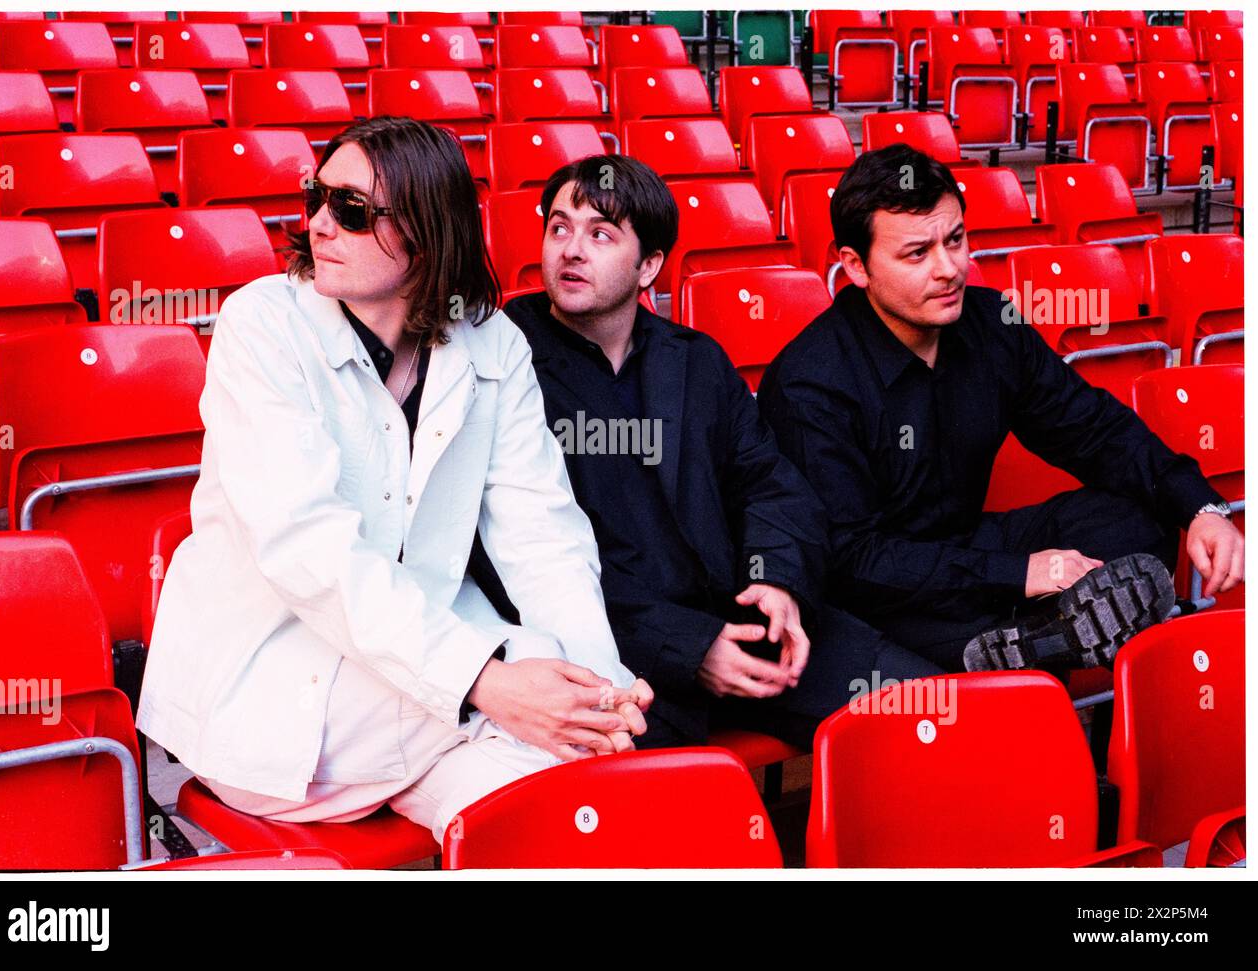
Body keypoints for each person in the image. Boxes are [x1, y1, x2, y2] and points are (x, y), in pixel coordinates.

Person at [137, 118, 651, 844]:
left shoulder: (492, 341)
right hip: (278, 696)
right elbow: (311, 550)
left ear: (428, 230)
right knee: (537, 687)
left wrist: (598, 692)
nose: (319, 222)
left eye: (350, 211)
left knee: (573, 803)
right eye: (316, 196)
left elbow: (543, 532)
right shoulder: (261, 325)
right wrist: (489, 681)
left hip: (421, 696)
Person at [499, 155, 942, 752]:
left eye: (599, 233)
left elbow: (771, 485)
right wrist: (690, 646)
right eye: (559, 227)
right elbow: (519, 561)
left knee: (932, 712)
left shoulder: (694, 358)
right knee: (674, 822)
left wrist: (778, 584)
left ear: (649, 264)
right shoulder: (504, 363)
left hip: (740, 620)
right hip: (609, 655)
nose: (571, 249)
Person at [758, 143, 1244, 673]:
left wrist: (1200, 508)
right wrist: (1020, 573)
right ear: (855, 265)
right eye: (918, 254)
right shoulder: (811, 382)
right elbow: (852, 560)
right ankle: (1031, 635)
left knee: (1136, 520)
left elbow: (1092, 429)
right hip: (881, 584)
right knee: (871, 619)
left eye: (956, 240)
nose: (949, 269)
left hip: (973, 547)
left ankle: (1030, 636)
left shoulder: (992, 323)